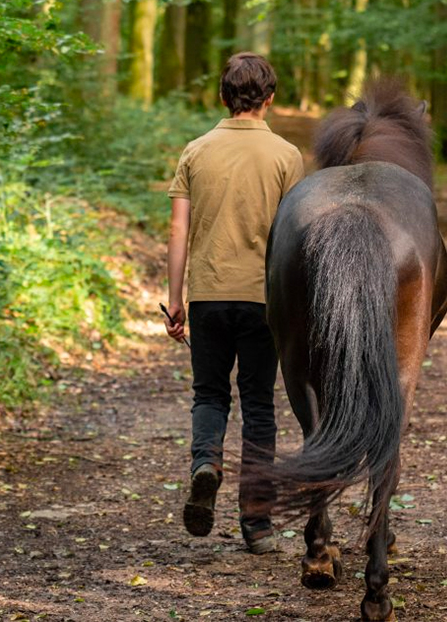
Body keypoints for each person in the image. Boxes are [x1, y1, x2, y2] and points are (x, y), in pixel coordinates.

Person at [164, 52, 304, 554]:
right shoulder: (287, 157)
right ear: (270, 98)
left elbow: (178, 228)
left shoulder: (195, 151)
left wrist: (173, 297)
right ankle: (258, 523)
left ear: (222, 96)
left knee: (209, 394)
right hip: (265, 299)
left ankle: (206, 462)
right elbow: (294, 239)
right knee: (260, 404)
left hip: (206, 293)